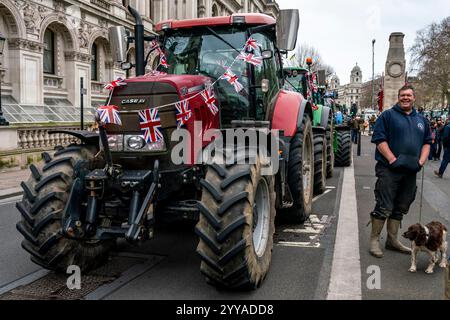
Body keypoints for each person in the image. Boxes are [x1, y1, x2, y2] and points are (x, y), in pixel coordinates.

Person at [369, 85, 432, 258]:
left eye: (409, 95)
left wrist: (421, 161)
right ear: (398, 97)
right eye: (403, 95)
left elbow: (427, 142)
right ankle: (374, 240)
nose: (406, 98)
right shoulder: (387, 116)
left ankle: (392, 241)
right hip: (389, 169)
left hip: (410, 170)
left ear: (414, 98)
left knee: (401, 206)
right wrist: (391, 159)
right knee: (384, 205)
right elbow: (379, 139)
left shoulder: (422, 120)